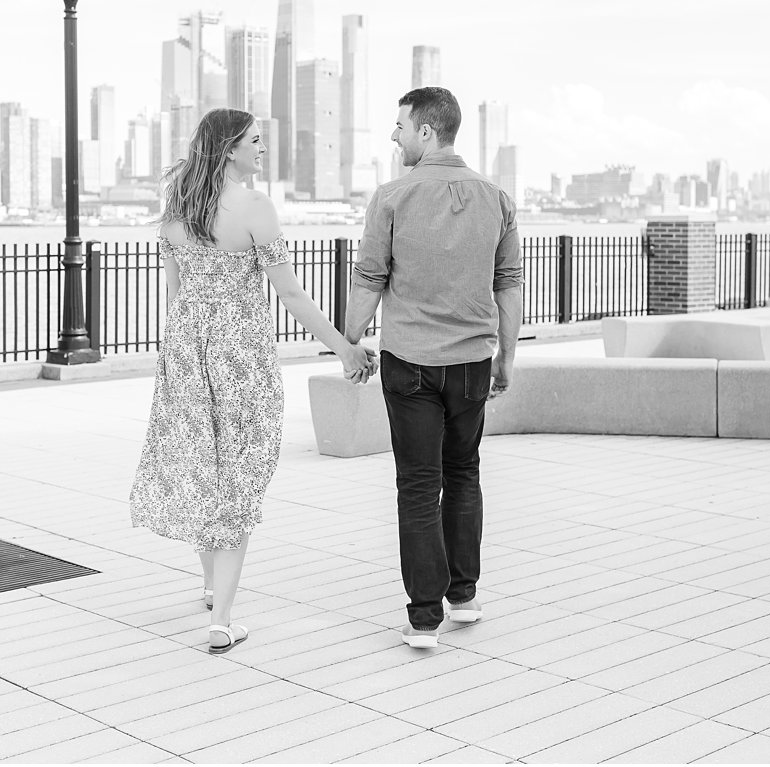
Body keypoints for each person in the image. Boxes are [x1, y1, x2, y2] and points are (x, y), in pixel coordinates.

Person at [129, 107, 377, 655]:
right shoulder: (255, 209)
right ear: (228, 149)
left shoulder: (177, 212)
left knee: (202, 462)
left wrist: (182, 353)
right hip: (241, 355)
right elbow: (290, 295)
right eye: (255, 142)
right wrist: (344, 348)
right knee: (241, 469)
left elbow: (176, 294)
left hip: (186, 349)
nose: (263, 150)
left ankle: (210, 585)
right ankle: (221, 620)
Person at [344, 86, 523, 649]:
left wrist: (349, 343)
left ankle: (425, 619)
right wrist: (507, 356)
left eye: (399, 126)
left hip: (411, 363)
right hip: (473, 360)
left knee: (419, 486)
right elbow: (508, 286)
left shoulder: (391, 197)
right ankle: (463, 597)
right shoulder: (495, 198)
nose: (394, 136)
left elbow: (370, 277)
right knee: (463, 474)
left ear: (426, 131)